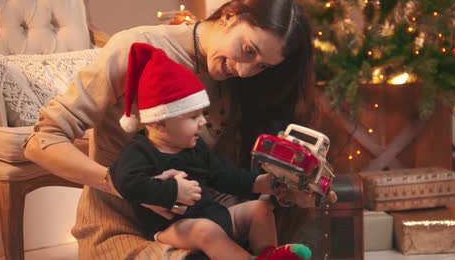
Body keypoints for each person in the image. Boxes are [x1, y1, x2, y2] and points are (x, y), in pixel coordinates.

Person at [24, 0, 339, 259]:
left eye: (261, 67)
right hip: (118, 228)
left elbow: (221, 177)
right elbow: (41, 142)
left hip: (200, 225)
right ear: (229, 15)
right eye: (247, 50)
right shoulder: (135, 48)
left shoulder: (236, 83)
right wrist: (129, 187)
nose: (245, 71)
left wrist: (284, 192)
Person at [110, 43, 312, 260]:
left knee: (260, 209)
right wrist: (173, 191)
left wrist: (260, 183)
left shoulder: (194, 146)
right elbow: (126, 183)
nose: (202, 123)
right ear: (160, 123)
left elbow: (224, 174)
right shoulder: (140, 151)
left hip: (215, 214)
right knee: (206, 231)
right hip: (174, 229)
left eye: (202, 114)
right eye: (192, 117)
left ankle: (269, 254)